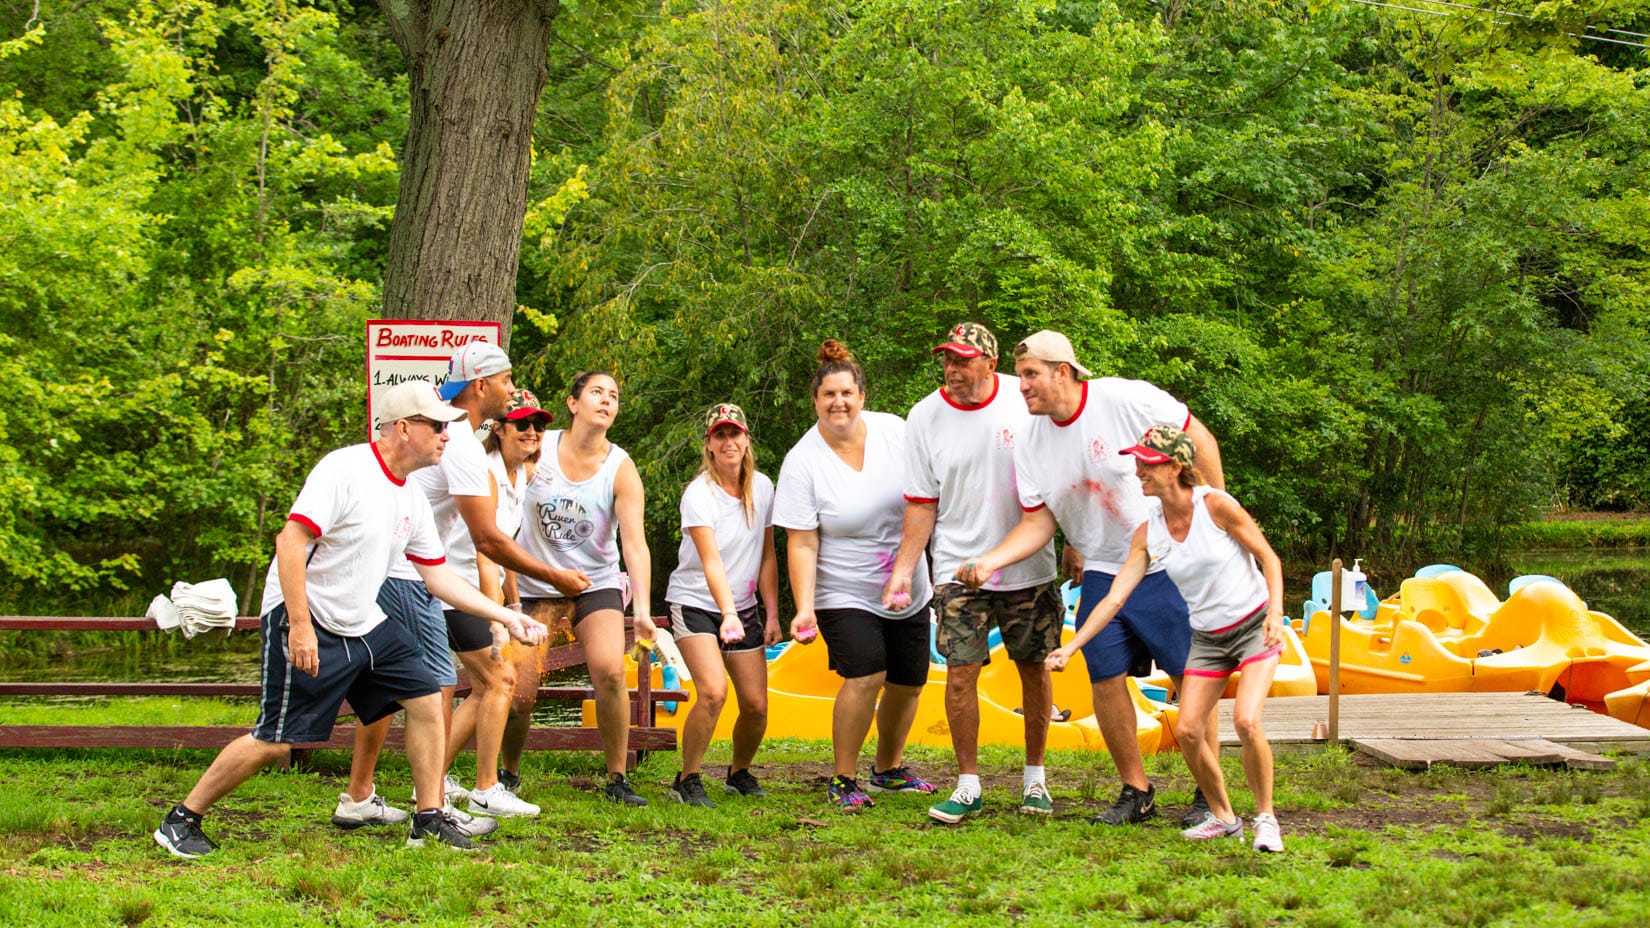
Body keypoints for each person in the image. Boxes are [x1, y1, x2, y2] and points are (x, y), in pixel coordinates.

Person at [153, 381, 549, 858]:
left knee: (426, 696)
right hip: (308, 617)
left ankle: (428, 818)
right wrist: (299, 625)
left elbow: (439, 578)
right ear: (404, 429)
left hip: (364, 621)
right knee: (276, 741)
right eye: (438, 426)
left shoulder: (410, 496)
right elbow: (289, 543)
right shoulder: (345, 469)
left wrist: (505, 615)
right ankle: (182, 819)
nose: (448, 434)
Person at [957, 330, 1224, 826]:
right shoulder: (1031, 442)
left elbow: (1198, 437)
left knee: (1190, 678)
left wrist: (1210, 517)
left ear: (1064, 371)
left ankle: (1208, 792)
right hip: (1103, 567)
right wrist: (993, 560)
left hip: (1164, 561)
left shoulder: (1126, 399)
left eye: (1031, 375)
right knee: (1104, 677)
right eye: (1020, 377)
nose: (1022, 387)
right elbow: (1039, 521)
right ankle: (1136, 790)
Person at [361, 344, 587, 823]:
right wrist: (549, 583)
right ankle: (434, 805)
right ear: (481, 385)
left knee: (450, 683)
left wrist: (507, 608)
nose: (512, 393)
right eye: (506, 381)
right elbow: (486, 540)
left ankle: (382, 795)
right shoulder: (462, 446)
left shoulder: (475, 451)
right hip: (415, 578)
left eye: (537, 426)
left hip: (425, 577)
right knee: (435, 687)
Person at [1048, 425, 1285, 852]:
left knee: (1247, 721)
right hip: (1209, 641)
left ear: (1176, 466)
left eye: (1148, 463)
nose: (1138, 470)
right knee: (1189, 729)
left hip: (1253, 627)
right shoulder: (1149, 531)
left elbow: (1269, 557)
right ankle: (1225, 818)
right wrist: (1072, 645)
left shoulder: (1216, 506)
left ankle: (1266, 819)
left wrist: (1276, 612)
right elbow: (1115, 598)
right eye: (1137, 461)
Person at [882, 323, 1063, 824]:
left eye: (963, 360)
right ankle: (967, 786)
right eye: (947, 360)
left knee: (1034, 669)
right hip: (959, 566)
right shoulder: (924, 416)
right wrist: (903, 571)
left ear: (990, 362)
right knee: (960, 674)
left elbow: (1057, 479)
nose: (953, 369)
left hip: (1028, 566)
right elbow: (921, 503)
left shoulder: (1022, 399)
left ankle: (1035, 778)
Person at [775, 339, 937, 810]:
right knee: (867, 673)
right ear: (816, 402)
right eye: (828, 395)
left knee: (909, 679)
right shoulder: (803, 461)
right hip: (843, 587)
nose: (838, 403)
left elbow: (926, 497)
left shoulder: (895, 432)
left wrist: (914, 568)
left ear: (863, 395)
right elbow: (802, 541)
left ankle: (888, 769)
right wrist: (804, 607)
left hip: (908, 580)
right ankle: (843, 778)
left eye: (847, 393)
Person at [516, 371, 656, 805]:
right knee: (520, 689)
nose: (606, 400)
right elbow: (501, 506)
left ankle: (617, 777)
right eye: (597, 392)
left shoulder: (621, 467)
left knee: (610, 671)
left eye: (613, 396)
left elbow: (634, 544)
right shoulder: (537, 449)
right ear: (573, 404)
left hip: (595, 583)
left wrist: (644, 611)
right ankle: (506, 774)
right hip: (534, 582)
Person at [662, 403, 781, 807]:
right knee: (712, 692)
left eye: (735, 434)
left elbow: (766, 554)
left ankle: (738, 772)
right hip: (696, 602)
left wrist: (772, 613)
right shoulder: (699, 494)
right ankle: (688, 777)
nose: (728, 442)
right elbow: (711, 559)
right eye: (720, 436)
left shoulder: (763, 487)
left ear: (747, 440)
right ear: (709, 446)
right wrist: (727, 612)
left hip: (743, 605)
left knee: (756, 705)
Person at [477, 388, 552, 803]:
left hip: (482, 590)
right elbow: (485, 552)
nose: (532, 431)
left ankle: (453, 783)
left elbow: (507, 549)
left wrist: (517, 605)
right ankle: (483, 787)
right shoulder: (487, 472)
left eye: (538, 424)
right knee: (497, 681)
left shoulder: (520, 473)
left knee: (490, 686)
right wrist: (498, 622)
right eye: (522, 423)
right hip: (455, 586)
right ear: (499, 428)